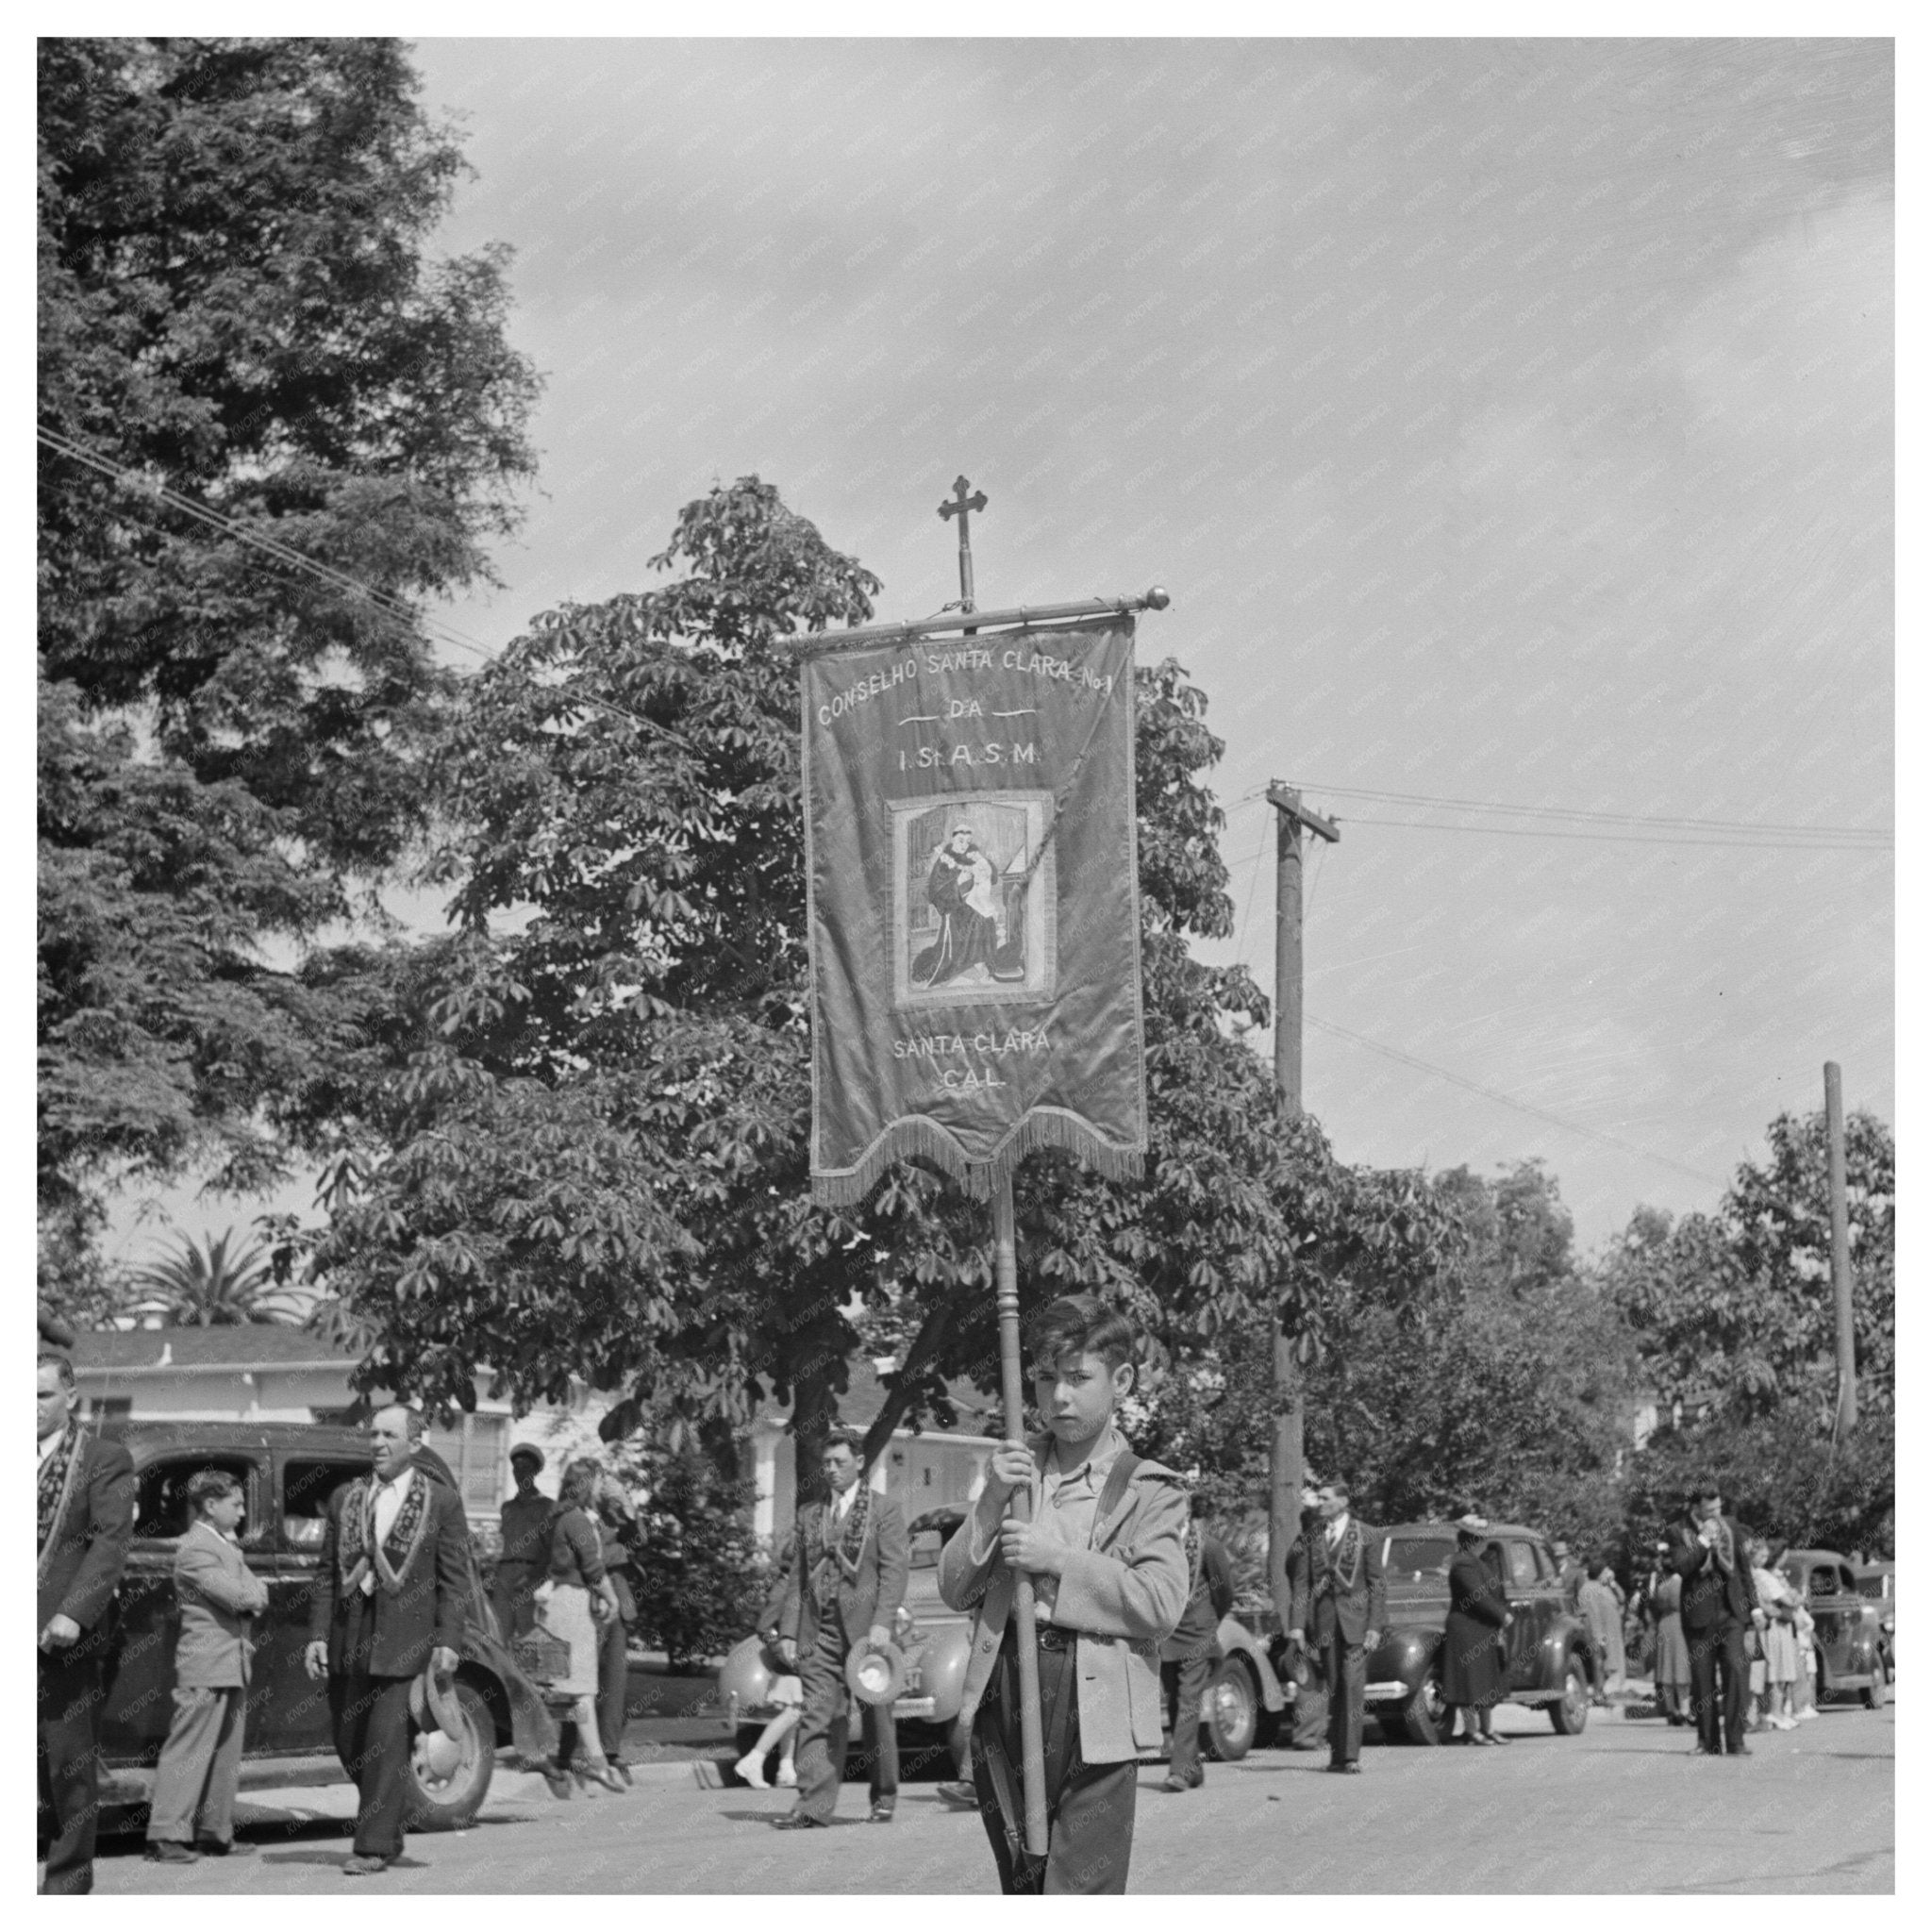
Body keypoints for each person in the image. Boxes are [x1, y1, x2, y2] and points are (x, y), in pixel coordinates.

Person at [938, 1293, 1189, 1893]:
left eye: (1079, 1378)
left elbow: (1159, 1605)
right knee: (1025, 1885)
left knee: (1079, 1890)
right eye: (1046, 1378)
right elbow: (953, 1588)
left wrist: (1056, 1561)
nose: (1058, 1398)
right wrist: (991, 1502)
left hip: (1095, 1703)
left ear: (1121, 1381)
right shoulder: (1014, 1471)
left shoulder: (1150, 1489)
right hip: (1005, 1687)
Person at [303, 1404, 472, 1874]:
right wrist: (318, 1635)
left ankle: (372, 1846)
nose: (377, 1443)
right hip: (350, 1635)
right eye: (374, 1434)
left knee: (385, 1743)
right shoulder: (346, 1497)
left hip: (406, 1641)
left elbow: (455, 1580)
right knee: (350, 1741)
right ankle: (389, 1825)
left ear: (415, 1444)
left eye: (389, 1435)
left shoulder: (440, 1501)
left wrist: (449, 1640)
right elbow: (326, 1574)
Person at [769, 1428, 908, 1828]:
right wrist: (790, 1631)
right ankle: (812, 1806)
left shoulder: (884, 1510)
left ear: (860, 1462)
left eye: (839, 1462)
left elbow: (894, 1571)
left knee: (877, 1720)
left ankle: (884, 1797)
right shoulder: (810, 1514)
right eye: (826, 1462)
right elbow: (797, 1577)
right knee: (817, 1715)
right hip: (820, 1632)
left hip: (868, 1633)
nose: (831, 1469)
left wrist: (882, 1623)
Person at [37, 1349, 135, 1895]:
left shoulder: (102, 1457)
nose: (29, 1406)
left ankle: (66, 1885)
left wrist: (73, 1612)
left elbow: (109, 1542)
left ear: (70, 1397)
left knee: (67, 1766)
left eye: (42, 1395)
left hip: (60, 1638)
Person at [145, 1469, 270, 1862]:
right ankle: (166, 1834)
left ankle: (214, 1832)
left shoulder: (222, 1545)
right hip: (206, 1661)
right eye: (236, 1503)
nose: (243, 1512)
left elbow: (255, 1591)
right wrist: (253, 1595)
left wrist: (253, 1594)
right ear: (211, 1505)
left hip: (231, 1661)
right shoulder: (197, 1548)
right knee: (189, 1749)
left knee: (225, 1753)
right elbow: (242, 1596)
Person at [534, 1456, 626, 1794]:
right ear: (588, 1485)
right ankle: (594, 1763)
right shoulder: (576, 1520)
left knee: (564, 1688)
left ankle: (556, 1754)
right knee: (577, 1688)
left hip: (564, 1603)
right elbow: (593, 1568)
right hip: (572, 1606)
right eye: (599, 1481)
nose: (602, 1487)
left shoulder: (565, 1517)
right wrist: (611, 1598)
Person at [1287, 1476, 1386, 1774]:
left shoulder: (1366, 1534)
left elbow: (1377, 1584)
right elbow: (1301, 1584)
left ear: (1343, 1502)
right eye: (1318, 1498)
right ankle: (1338, 1754)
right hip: (1326, 1624)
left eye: (1325, 1498)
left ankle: (1351, 1756)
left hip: (1357, 1624)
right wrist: (1297, 1626)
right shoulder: (1312, 1537)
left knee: (1352, 1685)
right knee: (1335, 1687)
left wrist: (1375, 1626)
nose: (1319, 1503)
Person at [1666, 1478, 1765, 1757]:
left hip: (1731, 1612)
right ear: (1696, 1507)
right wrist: (1703, 1541)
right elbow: (1682, 1567)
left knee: (1736, 1670)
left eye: (1718, 1508)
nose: (1716, 1514)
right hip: (1698, 1617)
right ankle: (1708, 1741)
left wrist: (1755, 1608)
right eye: (1710, 1511)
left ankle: (1736, 1740)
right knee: (1702, 1681)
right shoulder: (1677, 1531)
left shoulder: (1732, 1527)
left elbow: (1744, 1571)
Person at [1158, 1491, 1235, 1791]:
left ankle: (1178, 1771)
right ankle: (1193, 1768)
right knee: (1174, 1701)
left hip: (1198, 1634)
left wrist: (1210, 1623)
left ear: (1188, 1513)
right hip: (1168, 1633)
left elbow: (1224, 1590)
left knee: (1189, 1699)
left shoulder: (1208, 1546)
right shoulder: (1159, 1545)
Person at [1441, 1513, 1510, 1745]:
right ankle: (1471, 1731)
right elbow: (1478, 1596)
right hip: (1467, 1629)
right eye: (1480, 1539)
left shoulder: (1477, 1561)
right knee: (1469, 1684)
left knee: (1485, 1682)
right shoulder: (1463, 1563)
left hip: (1481, 1628)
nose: (1483, 1542)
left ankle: (1487, 1728)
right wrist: (1501, 1615)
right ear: (1471, 1541)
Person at [591, 1471, 641, 1783]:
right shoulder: (581, 1516)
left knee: (615, 1678)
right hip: (591, 1597)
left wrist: (628, 1508)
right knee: (584, 1678)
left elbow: (640, 1540)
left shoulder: (618, 1517)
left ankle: (610, 1749)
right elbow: (591, 1556)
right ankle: (574, 1749)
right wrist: (618, 1553)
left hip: (618, 1598)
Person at [493, 1443, 552, 1639]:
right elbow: (502, 1542)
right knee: (499, 1635)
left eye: (526, 1468)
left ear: (535, 1472)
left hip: (530, 1574)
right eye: (517, 1468)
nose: (520, 1473)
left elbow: (550, 1550)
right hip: (505, 1574)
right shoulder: (507, 1507)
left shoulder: (547, 1507)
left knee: (530, 1636)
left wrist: (534, 1577)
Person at [1748, 1540, 1800, 1730]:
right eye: (1761, 1556)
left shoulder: (1762, 1574)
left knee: (1778, 1672)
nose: (1764, 1560)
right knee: (1777, 1672)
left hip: (1777, 1624)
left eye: (1765, 1556)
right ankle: (1774, 1712)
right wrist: (1791, 1599)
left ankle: (1773, 1713)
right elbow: (1788, 1599)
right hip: (1774, 1628)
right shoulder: (1761, 1575)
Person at [1649, 1541, 1691, 1725]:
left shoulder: (1662, 1585)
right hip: (1679, 1624)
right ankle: (1684, 1709)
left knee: (1666, 1668)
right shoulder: (1680, 1583)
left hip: (1664, 1624)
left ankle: (1670, 1709)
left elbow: (1653, 1602)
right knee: (1681, 1668)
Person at [1578, 1562, 1624, 1704]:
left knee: (1605, 1664)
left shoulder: (1600, 1587)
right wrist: (1599, 1637)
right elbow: (1594, 1614)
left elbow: (1621, 1599)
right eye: (1606, 1571)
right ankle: (1603, 1694)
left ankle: (1602, 1693)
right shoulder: (1594, 1589)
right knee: (1605, 1664)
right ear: (1600, 1574)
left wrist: (1613, 1584)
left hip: (1605, 1633)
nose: (1609, 1573)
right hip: (1602, 1634)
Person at [1552, 1540, 1585, 1612]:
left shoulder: (1574, 1568)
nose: (1559, 1559)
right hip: (1561, 1606)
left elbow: (1578, 1588)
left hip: (1573, 1605)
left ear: (1565, 1555)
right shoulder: (1558, 1568)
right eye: (1557, 1557)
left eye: (1561, 1556)